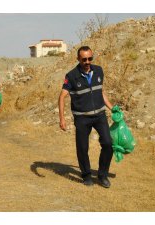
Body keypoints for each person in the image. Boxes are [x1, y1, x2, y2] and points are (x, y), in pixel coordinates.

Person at [58, 46, 114, 188]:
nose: (88, 61)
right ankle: (86, 176)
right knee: (82, 148)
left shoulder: (99, 71)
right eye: (84, 59)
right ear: (78, 59)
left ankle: (102, 175)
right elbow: (62, 97)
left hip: (100, 115)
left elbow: (100, 92)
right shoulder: (71, 76)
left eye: (90, 58)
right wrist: (62, 119)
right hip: (82, 118)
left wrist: (112, 108)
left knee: (108, 144)